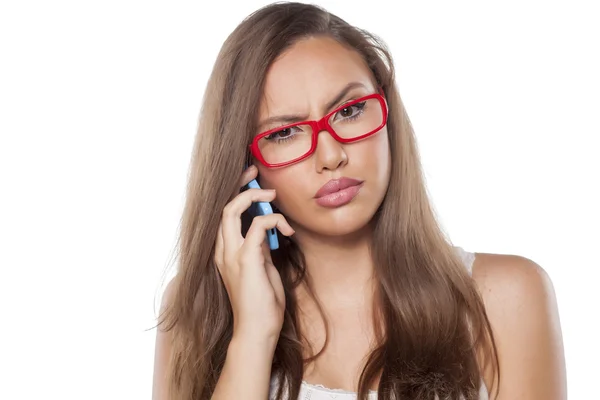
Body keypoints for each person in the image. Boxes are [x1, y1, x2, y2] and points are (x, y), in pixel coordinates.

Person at [152, 2, 566, 399]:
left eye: (350, 111)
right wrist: (253, 335)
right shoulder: (195, 311)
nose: (331, 155)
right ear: (245, 164)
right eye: (284, 133)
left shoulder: (505, 297)